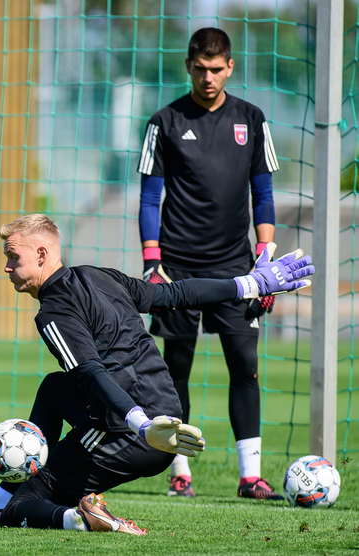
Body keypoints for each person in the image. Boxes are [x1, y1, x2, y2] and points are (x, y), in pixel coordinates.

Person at [0, 214, 312, 533]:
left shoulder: (52, 313)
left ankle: (77, 518)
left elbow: (92, 372)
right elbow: (175, 294)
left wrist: (140, 425)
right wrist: (250, 284)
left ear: (42, 254)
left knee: (22, 506)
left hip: (133, 433)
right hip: (163, 417)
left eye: (13, 257)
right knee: (54, 388)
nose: (7, 267)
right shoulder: (98, 276)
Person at [136, 28, 283, 499]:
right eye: (200, 68)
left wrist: (265, 257)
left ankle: (250, 476)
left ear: (230, 67)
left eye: (216, 69)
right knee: (175, 367)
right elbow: (149, 198)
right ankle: (180, 472)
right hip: (177, 269)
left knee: (244, 363)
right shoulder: (164, 121)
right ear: (188, 66)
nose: (208, 77)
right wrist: (152, 262)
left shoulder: (252, 119)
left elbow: (263, 193)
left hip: (236, 267)